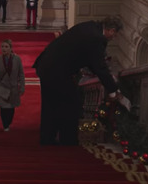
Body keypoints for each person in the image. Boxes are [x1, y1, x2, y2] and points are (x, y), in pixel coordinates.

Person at [32, 15, 124, 145]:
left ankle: (47, 139)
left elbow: (91, 59)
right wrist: (113, 90)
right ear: (112, 30)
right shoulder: (97, 38)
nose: (113, 38)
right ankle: (67, 141)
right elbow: (100, 68)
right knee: (72, 105)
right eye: (114, 35)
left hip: (48, 65)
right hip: (56, 70)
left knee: (51, 104)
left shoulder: (91, 26)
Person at [0, 39, 25, 131]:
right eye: (2, 47)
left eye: (6, 47)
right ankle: (5, 125)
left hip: (13, 88)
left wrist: (22, 86)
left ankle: (8, 123)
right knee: (3, 107)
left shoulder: (17, 59)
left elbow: (21, 73)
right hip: (1, 87)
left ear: (10, 48)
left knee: (11, 108)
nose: (4, 49)